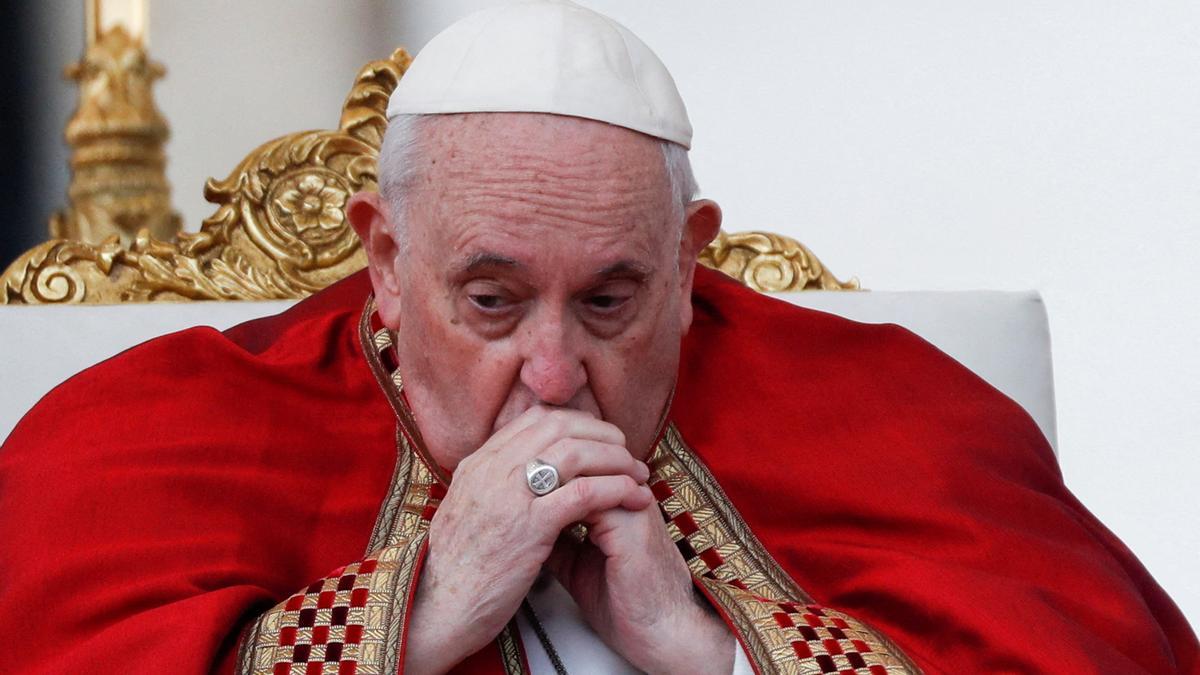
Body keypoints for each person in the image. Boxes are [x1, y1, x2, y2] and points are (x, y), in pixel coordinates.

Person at [1, 1, 1196, 673]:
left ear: (688, 264)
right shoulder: (171, 430)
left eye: (612, 300)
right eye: (491, 300)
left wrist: (711, 655)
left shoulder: (892, 415)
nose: (556, 372)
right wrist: (404, 623)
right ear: (383, 260)